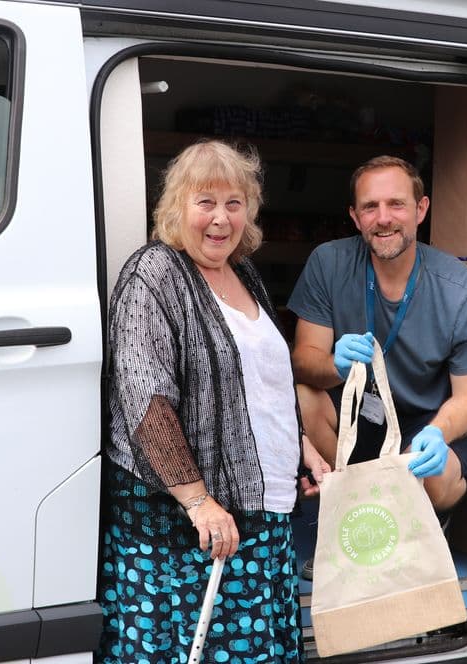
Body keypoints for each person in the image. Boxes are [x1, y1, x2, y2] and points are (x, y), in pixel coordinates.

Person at [99, 140, 329, 664]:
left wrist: (301, 446)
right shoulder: (153, 275)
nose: (220, 219)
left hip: (262, 515)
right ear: (177, 206)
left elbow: (259, 383)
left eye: (234, 202)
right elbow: (144, 401)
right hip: (190, 531)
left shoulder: (242, 272)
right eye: (205, 202)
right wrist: (199, 501)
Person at [289, 155, 467, 515]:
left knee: (435, 474)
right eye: (370, 207)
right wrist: (334, 364)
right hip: (356, 415)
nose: (383, 218)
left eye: (396, 204)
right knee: (304, 398)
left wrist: (438, 433)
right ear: (354, 216)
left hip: (425, 421)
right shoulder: (329, 263)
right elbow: (303, 361)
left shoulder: (462, 289)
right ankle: (352, 512)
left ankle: (421, 524)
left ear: (421, 209)